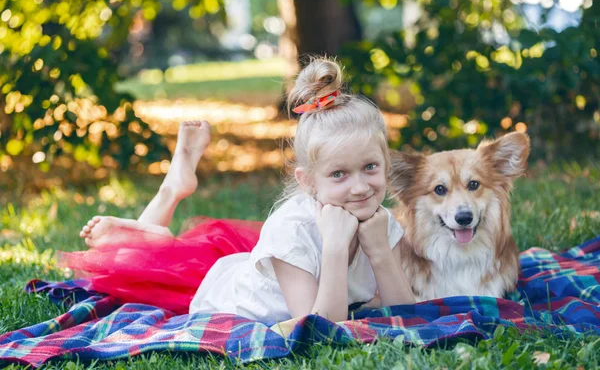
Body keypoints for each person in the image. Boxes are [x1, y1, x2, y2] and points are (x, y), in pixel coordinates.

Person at [61, 57, 415, 324]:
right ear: (307, 182)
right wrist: (336, 248)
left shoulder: (378, 220)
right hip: (220, 299)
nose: (359, 187)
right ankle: (168, 193)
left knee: (174, 259)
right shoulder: (292, 231)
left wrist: (381, 251)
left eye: (371, 167)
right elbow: (321, 331)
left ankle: (168, 203)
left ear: (386, 162)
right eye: (338, 174)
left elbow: (408, 316)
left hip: (245, 269)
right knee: (138, 271)